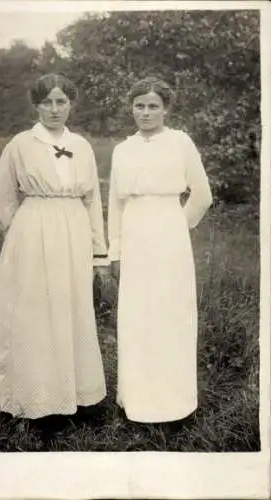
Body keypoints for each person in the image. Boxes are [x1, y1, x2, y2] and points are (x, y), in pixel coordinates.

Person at [0, 73, 109, 423]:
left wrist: (99, 252)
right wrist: (22, 236)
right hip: (34, 231)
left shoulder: (81, 145)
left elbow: (92, 200)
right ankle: (34, 400)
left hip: (74, 233)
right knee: (34, 311)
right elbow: (2, 200)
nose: (54, 109)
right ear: (36, 105)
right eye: (47, 102)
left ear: (71, 105)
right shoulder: (20, 144)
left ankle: (77, 397)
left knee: (72, 308)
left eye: (61, 102)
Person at [108, 76, 213, 424]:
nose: (146, 112)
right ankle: (136, 399)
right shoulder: (122, 150)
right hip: (134, 235)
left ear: (166, 109)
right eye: (140, 105)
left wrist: (174, 228)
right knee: (138, 316)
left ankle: (174, 403)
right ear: (131, 108)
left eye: (154, 106)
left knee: (170, 314)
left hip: (169, 235)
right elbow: (115, 206)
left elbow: (202, 195)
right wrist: (116, 251)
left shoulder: (181, 143)